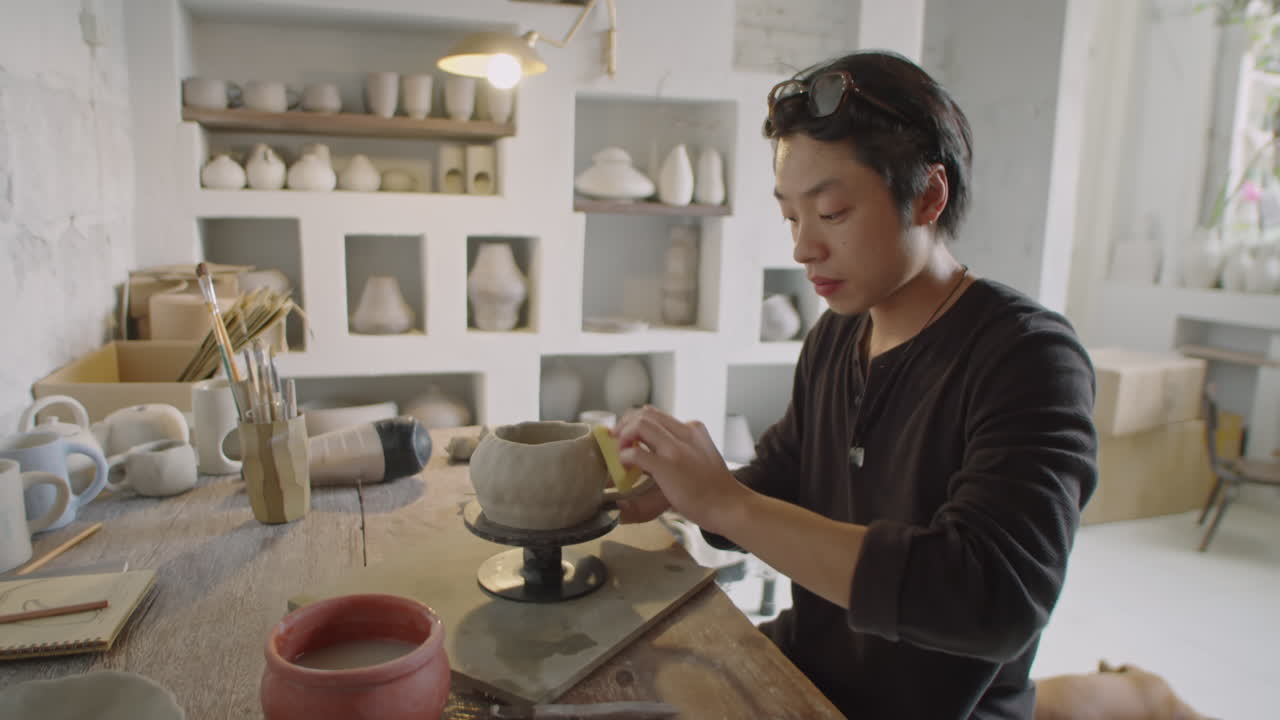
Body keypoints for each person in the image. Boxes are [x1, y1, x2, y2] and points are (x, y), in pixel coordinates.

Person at [614, 50, 1098, 719]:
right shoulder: (840, 335)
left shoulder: (1028, 357)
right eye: (791, 216)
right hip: (810, 671)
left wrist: (727, 504)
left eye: (832, 213)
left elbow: (994, 598)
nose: (803, 247)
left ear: (929, 195)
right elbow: (785, 476)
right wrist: (686, 489)